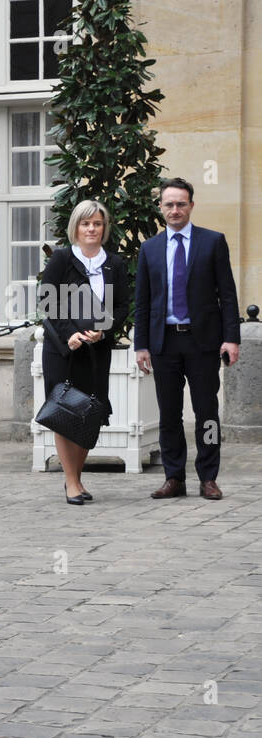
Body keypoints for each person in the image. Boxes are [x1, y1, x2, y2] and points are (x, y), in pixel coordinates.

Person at [134, 177, 241, 500]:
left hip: (203, 342)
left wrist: (231, 338)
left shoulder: (212, 242)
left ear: (191, 206)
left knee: (207, 412)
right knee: (169, 414)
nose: (175, 209)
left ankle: (208, 477)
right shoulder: (150, 249)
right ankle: (174, 477)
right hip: (164, 343)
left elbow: (228, 293)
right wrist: (141, 344)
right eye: (169, 204)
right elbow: (143, 301)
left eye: (181, 203)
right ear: (161, 208)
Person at [38, 199, 129, 504]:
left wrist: (104, 328)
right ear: (75, 227)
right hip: (63, 351)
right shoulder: (62, 259)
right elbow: (48, 302)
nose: (91, 228)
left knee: (90, 412)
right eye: (85, 223)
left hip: (95, 351)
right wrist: (70, 335)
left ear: (105, 228)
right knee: (65, 412)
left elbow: (121, 305)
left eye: (97, 223)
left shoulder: (114, 263)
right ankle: (71, 482)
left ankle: (76, 479)